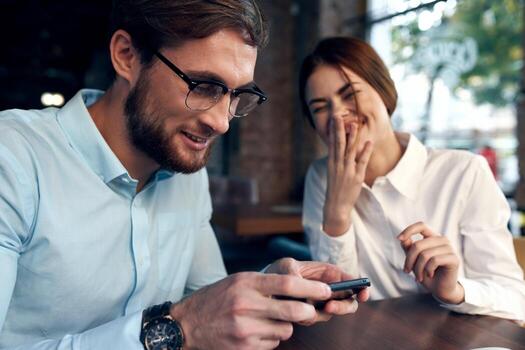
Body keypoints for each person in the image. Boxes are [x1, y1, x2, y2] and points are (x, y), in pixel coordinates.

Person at [0, 3, 368, 349]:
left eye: (237, 95)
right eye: (203, 86)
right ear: (126, 56)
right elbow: (191, 320)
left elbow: (204, 297)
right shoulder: (13, 157)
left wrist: (267, 289)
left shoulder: (186, 172)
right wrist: (178, 328)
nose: (222, 122)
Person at [299, 36, 525, 322]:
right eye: (320, 108)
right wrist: (338, 214)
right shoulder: (320, 178)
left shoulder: (464, 172)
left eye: (349, 94)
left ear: (384, 92)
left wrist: (453, 290)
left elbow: (516, 299)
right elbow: (336, 303)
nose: (338, 114)